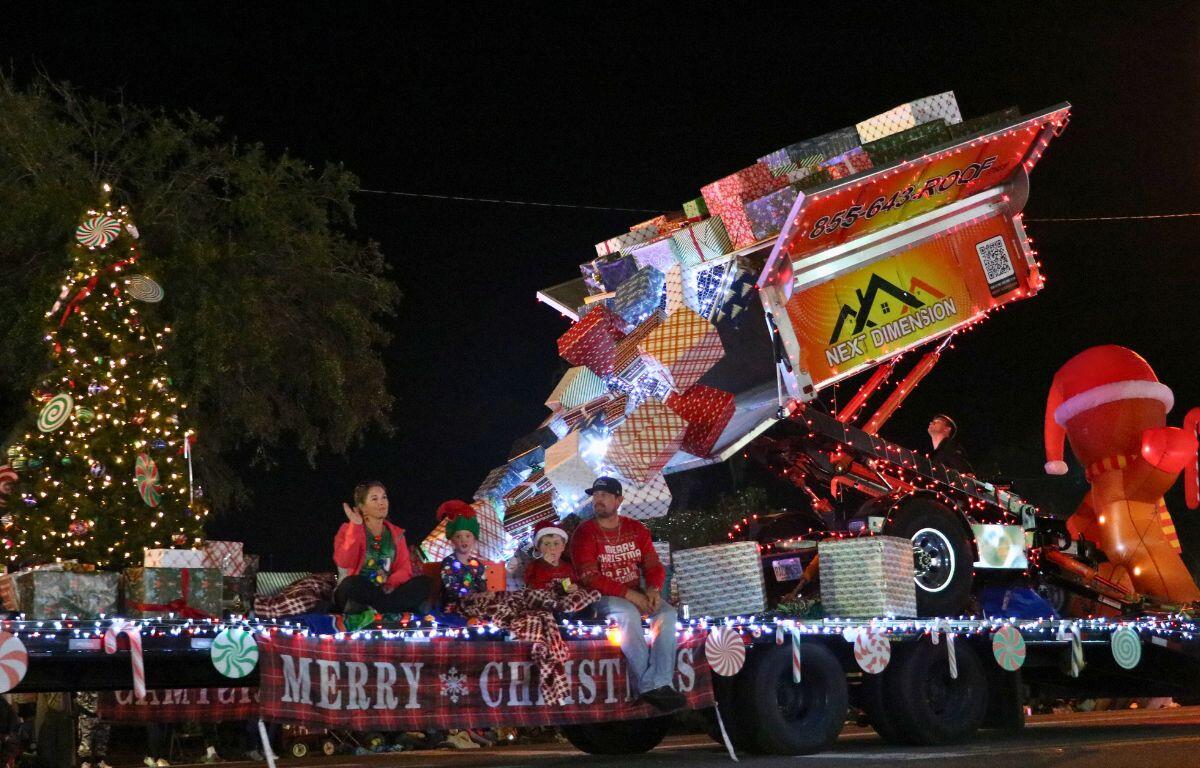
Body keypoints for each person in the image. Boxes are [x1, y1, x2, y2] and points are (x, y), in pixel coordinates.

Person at [569, 477, 684, 711]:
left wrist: (652, 589)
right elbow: (590, 576)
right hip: (599, 597)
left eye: (604, 495)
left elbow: (653, 565)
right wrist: (633, 596)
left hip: (636, 592)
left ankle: (659, 682)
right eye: (595, 496)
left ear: (618, 500)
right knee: (628, 614)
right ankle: (650, 686)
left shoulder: (635, 528)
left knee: (668, 614)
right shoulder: (585, 532)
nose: (598, 500)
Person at [333, 481, 431, 614]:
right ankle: (397, 607)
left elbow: (404, 568)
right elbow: (344, 561)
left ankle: (378, 608)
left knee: (424, 583)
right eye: (374, 499)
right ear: (362, 507)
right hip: (358, 588)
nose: (381, 502)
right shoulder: (348, 529)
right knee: (352, 584)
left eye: (384, 497)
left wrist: (389, 584)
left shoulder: (396, 534)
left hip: (386, 591)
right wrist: (355, 527)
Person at [437, 500, 488, 611]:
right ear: (452, 541)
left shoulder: (478, 565)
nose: (463, 539)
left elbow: (483, 588)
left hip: (476, 606)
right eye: (458, 536)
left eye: (468, 536)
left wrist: (483, 599)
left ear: (474, 540)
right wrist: (471, 598)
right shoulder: (448, 562)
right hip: (454, 606)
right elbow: (451, 589)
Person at [524, 518, 576, 592]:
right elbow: (532, 588)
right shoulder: (533, 567)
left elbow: (575, 582)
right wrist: (546, 566)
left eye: (556, 543)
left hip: (565, 600)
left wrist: (574, 587)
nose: (552, 548)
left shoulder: (568, 567)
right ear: (538, 548)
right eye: (546, 544)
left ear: (563, 547)